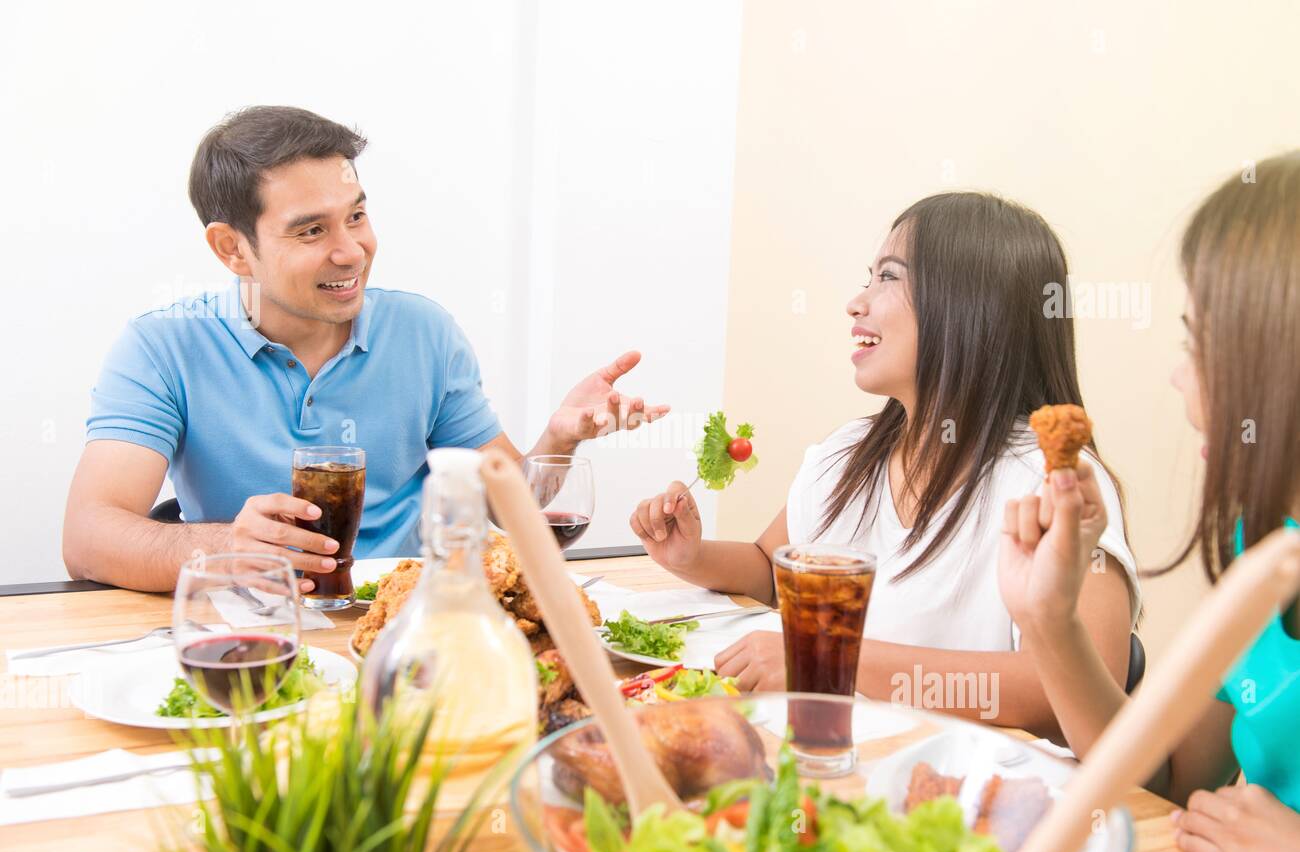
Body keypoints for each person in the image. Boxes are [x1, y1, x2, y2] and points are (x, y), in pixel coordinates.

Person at [63, 106, 668, 592]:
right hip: (253, 632)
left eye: (355, 216)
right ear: (232, 249)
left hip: (403, 625)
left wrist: (559, 440)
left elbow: (507, 506)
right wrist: (224, 546)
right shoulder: (162, 347)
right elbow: (88, 538)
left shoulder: (424, 332)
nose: (351, 250)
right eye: (311, 230)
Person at [631, 192, 1139, 736]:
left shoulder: (1054, 484)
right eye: (867, 277)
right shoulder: (846, 454)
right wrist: (692, 557)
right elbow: (773, 572)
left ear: (970, 306)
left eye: (888, 278)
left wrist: (830, 661)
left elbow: (1071, 691)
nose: (856, 302)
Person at [999, 151, 1300, 852]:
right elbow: (1157, 778)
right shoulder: (1264, 553)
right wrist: (1049, 617)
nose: (1177, 376)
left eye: (1199, 344)